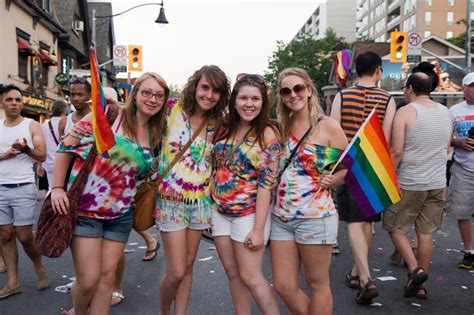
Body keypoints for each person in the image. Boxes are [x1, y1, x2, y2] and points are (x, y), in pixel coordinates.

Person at [52, 72, 168, 315]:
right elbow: (66, 147)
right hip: (86, 211)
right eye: (147, 92)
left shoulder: (157, 133)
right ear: (135, 95)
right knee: (87, 281)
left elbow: (141, 173)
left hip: (121, 215)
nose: (153, 99)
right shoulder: (106, 116)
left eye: (159, 95)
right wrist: (57, 188)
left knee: (106, 280)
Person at [271, 68, 348, 315]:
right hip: (281, 218)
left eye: (298, 88)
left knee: (317, 283)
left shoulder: (328, 127)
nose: (293, 94)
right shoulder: (279, 128)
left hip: (315, 218)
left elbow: (349, 168)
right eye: (286, 91)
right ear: (281, 97)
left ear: (308, 90)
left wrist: (333, 180)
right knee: (283, 285)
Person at [155, 65, 230, 315]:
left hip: (200, 204)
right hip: (170, 200)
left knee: (188, 267)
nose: (209, 95)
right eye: (205, 87)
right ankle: (165, 309)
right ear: (195, 86)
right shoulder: (172, 109)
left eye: (216, 91)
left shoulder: (218, 123)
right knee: (176, 271)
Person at [210, 74, 281, 315]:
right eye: (243, 98)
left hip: (249, 215)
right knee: (233, 274)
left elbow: (266, 186)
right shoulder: (224, 128)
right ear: (234, 101)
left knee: (251, 276)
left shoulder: (268, 135)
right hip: (219, 213)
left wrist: (259, 229)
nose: (249, 104)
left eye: (255, 98)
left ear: (263, 103)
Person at [330, 51, 396, 304]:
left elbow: (335, 130)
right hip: (373, 166)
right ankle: (359, 273)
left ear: (357, 70)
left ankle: (365, 277)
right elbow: (386, 139)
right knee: (367, 222)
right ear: (379, 70)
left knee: (354, 223)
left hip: (349, 164)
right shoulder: (387, 98)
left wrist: (337, 166)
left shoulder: (343, 95)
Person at [383, 72, 452, 299]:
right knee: (425, 233)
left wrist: (387, 177)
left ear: (410, 88)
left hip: (410, 182)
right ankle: (420, 287)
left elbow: (397, 151)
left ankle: (415, 269)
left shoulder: (406, 112)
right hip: (437, 182)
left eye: (405, 88)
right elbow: (446, 147)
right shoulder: (445, 112)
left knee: (396, 227)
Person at [0, 84, 49, 299]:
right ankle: (13, 282)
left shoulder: (31, 126)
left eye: (18, 100)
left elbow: (42, 156)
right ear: (2, 103)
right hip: (0, 188)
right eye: (10, 100)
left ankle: (38, 264)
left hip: (23, 187)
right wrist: (5, 155)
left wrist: (25, 149)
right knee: (5, 236)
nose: (14, 103)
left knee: (24, 236)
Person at [445, 72, 474, 269]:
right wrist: (458, 141)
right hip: (463, 167)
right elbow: (445, 139)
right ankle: (469, 251)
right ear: (463, 88)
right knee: (462, 211)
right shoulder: (453, 111)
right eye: (471, 86)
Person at [36, 100, 67, 188]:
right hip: (64, 163)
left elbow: (39, 147)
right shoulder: (67, 124)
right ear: (64, 111)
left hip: (48, 165)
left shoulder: (43, 127)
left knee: (51, 189)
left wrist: (39, 165)